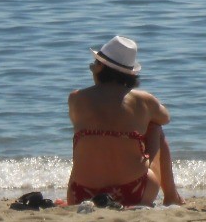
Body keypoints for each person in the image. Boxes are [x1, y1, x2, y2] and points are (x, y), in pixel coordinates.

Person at [67, 35, 184, 207]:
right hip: (134, 190)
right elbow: (165, 117)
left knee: (87, 135)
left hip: (81, 194)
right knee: (155, 127)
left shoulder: (76, 98)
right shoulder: (143, 100)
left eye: (94, 64)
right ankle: (171, 195)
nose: (92, 68)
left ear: (101, 68)